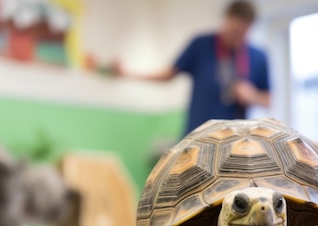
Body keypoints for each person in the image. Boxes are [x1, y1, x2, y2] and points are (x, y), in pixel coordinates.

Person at [116, 0, 271, 136]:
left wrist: (252, 95)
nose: (237, 37)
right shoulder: (201, 45)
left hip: (236, 140)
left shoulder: (258, 56)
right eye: (234, 30)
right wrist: (127, 73)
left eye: (242, 32)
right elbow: (167, 75)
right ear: (226, 20)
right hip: (198, 136)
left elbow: (268, 99)